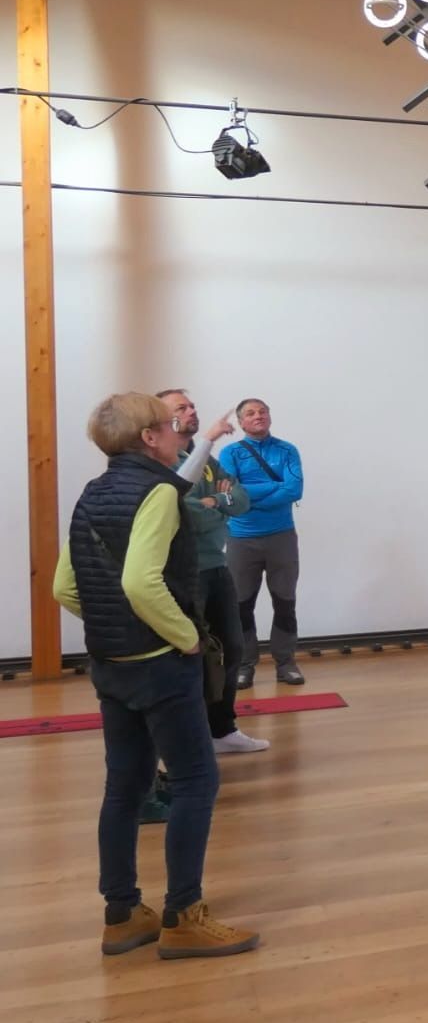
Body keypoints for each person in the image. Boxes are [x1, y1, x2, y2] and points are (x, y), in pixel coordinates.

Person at [53, 392, 260, 960]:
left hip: (111, 663)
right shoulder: (161, 491)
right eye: (171, 424)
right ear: (149, 437)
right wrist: (185, 637)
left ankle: (122, 915)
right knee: (196, 781)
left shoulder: (93, 492)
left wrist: (117, 628)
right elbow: (141, 583)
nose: (179, 432)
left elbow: (65, 588)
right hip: (161, 664)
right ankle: (183, 916)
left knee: (124, 786)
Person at [159, 390, 267, 754]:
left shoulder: (205, 460)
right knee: (193, 655)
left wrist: (216, 500)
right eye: (182, 407)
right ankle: (192, 736)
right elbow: (185, 513)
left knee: (232, 649)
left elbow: (242, 499)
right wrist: (218, 506)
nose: (192, 411)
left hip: (217, 568)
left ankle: (222, 730)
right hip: (185, 573)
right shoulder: (163, 463)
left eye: (192, 406)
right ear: (161, 419)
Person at [217, 398, 305, 688]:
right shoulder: (230, 453)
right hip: (241, 539)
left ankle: (286, 662)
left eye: (263, 411)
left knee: (285, 601)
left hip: (282, 537)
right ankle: (244, 665)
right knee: (241, 605)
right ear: (241, 422)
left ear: (270, 416)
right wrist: (273, 487)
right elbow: (232, 494)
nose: (258, 416)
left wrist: (250, 498)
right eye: (251, 413)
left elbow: (295, 489)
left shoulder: (287, 450)